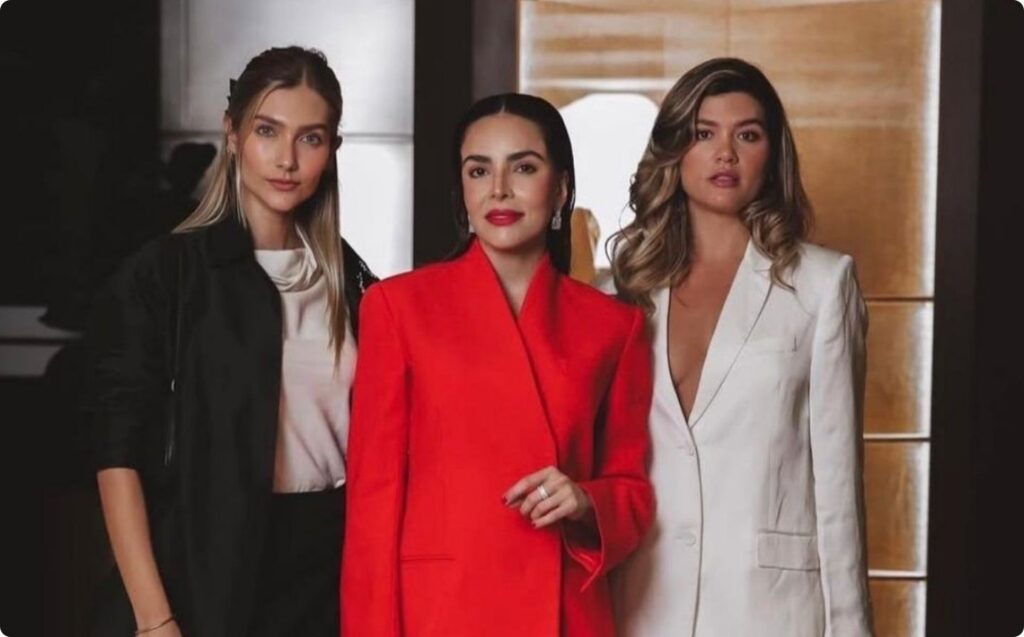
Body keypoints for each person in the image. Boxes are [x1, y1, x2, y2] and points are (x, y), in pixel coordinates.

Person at [86, 46, 376, 637]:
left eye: (311, 138)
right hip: (201, 566)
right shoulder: (168, 272)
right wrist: (154, 618)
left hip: (325, 571)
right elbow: (117, 454)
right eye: (268, 131)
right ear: (234, 134)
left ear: (332, 151)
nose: (287, 159)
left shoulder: (353, 279)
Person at [341, 93, 654, 637]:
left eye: (524, 167)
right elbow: (373, 505)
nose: (500, 190)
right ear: (463, 192)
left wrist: (586, 500)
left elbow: (632, 490)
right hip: (440, 611)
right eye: (479, 170)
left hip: (564, 610)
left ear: (559, 188)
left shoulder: (613, 327)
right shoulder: (398, 309)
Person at [608, 58, 874, 637]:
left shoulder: (823, 285)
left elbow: (838, 486)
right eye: (704, 134)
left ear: (771, 156)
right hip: (641, 604)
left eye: (747, 135)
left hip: (771, 610)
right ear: (675, 150)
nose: (725, 153)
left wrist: (852, 628)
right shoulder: (619, 295)